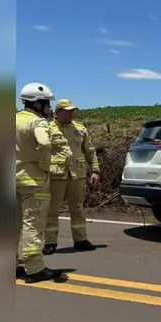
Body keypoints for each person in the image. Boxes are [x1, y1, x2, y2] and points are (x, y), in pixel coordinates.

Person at [16, 82, 62, 282]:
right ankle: (34, 269)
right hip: (32, 182)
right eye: (46, 104)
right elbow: (44, 142)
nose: (49, 109)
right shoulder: (37, 123)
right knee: (32, 225)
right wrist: (45, 165)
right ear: (37, 104)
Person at [43, 99, 98, 254]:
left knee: (77, 208)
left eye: (72, 110)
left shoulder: (80, 129)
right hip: (56, 175)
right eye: (67, 110)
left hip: (77, 175)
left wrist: (95, 170)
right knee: (52, 210)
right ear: (58, 111)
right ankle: (50, 242)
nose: (71, 113)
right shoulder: (47, 129)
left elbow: (90, 151)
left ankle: (80, 240)